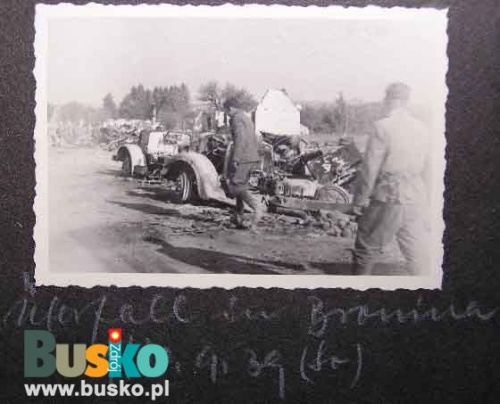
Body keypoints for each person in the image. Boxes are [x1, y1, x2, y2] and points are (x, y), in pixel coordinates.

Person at [352, 82, 432, 276]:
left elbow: (370, 168)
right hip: (415, 198)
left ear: (390, 100)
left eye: (386, 98)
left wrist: (360, 200)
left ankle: (356, 290)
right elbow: (430, 168)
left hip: (389, 196)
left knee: (366, 248)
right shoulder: (423, 127)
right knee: (416, 252)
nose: (384, 102)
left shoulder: (382, 126)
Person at [223, 97, 262, 230]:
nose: (227, 114)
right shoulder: (246, 117)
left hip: (243, 157)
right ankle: (238, 217)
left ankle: (257, 208)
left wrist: (236, 158)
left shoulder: (236, 119)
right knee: (241, 185)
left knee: (235, 187)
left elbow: (240, 139)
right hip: (251, 156)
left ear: (230, 108)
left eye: (226, 111)